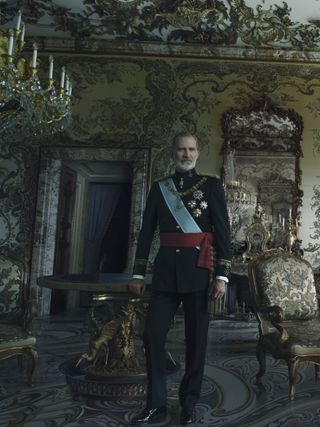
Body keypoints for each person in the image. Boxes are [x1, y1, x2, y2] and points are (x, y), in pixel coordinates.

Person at [129, 131, 232, 425]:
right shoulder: (159, 188)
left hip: (199, 274)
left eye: (191, 150)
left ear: (198, 153)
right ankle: (156, 403)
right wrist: (138, 272)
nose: (186, 155)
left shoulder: (211, 186)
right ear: (171, 153)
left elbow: (223, 233)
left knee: (196, 342)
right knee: (151, 335)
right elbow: (146, 233)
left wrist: (222, 276)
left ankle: (189, 402)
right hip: (164, 275)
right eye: (180, 150)